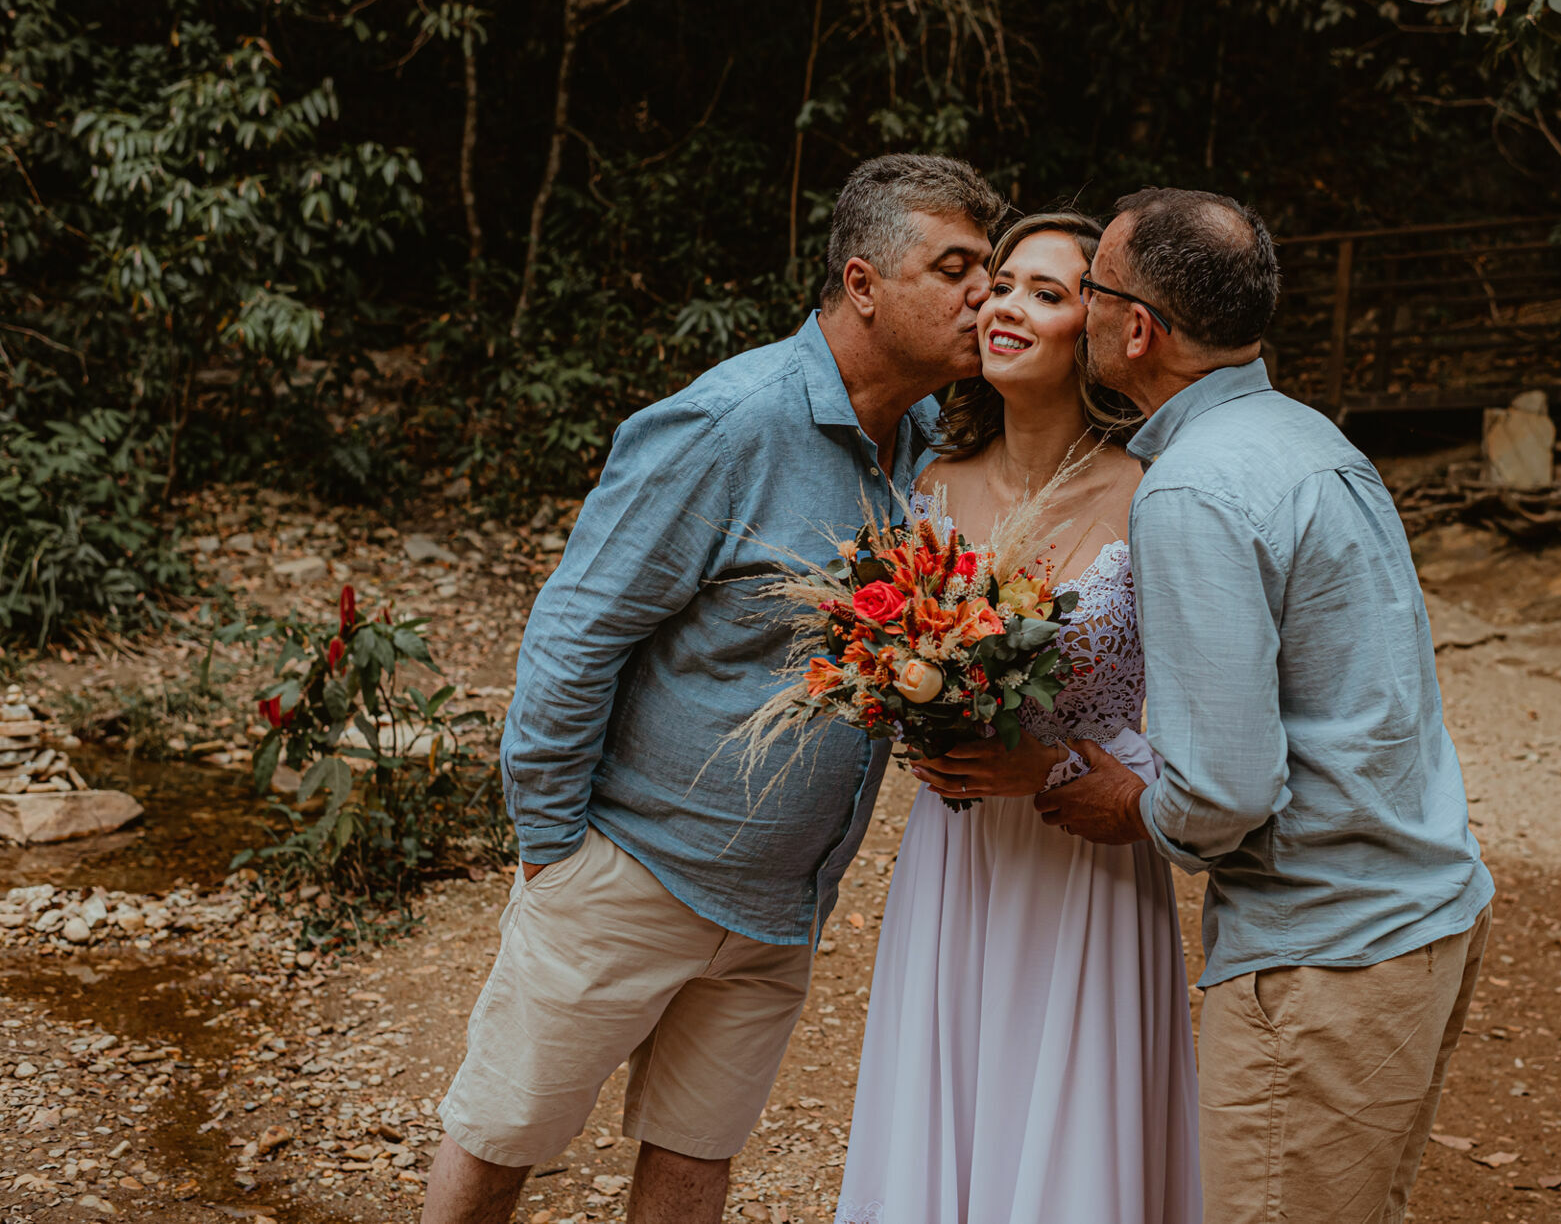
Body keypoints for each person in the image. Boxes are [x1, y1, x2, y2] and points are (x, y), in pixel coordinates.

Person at [420, 154, 1005, 1224]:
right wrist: (555, 849)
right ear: (863, 283)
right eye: (957, 266)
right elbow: (575, 631)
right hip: (629, 870)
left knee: (696, 1161)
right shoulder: (730, 423)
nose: (986, 294)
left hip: (784, 903)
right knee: (503, 1138)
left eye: (992, 267)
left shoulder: (930, 447)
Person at [1037, 187, 1496, 1224]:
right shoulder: (1308, 440)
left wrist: (1129, 808)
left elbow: (1228, 790)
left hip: (1325, 961)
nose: (1085, 312)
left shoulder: (1194, 488)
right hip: (1419, 917)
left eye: (1093, 289)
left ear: (1139, 328)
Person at [835, 210, 1203, 1224]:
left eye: (1047, 293)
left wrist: (1044, 764)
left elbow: (1200, 721)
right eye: (1002, 284)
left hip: (1084, 853)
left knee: (1069, 1140)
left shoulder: (1151, 498)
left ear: (1097, 331)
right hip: (955, 857)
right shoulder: (931, 491)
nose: (1005, 306)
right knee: (943, 1109)